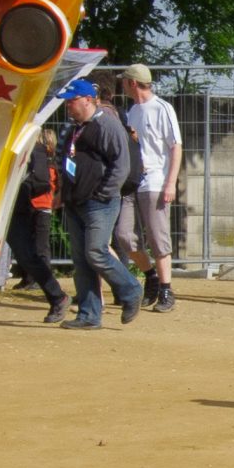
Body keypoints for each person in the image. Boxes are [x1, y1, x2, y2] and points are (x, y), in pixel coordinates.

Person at [57, 79, 140, 328]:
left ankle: (131, 290)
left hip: (99, 202)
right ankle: (89, 315)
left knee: (96, 252)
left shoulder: (107, 124)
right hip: (75, 201)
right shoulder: (74, 127)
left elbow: (121, 164)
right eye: (67, 102)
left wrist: (104, 192)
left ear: (88, 100)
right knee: (82, 259)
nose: (68, 106)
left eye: (72, 101)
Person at [118, 63, 183, 313]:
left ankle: (166, 289)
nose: (122, 85)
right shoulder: (132, 111)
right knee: (125, 235)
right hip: (132, 182)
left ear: (133, 83)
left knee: (158, 237)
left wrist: (170, 182)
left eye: (124, 81)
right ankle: (151, 276)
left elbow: (175, 146)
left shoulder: (162, 108)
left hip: (155, 180)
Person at [7, 124, 65, 321]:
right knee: (25, 253)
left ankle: (57, 296)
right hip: (15, 205)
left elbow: (41, 180)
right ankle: (56, 297)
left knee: (27, 254)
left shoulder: (31, 146)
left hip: (19, 206)